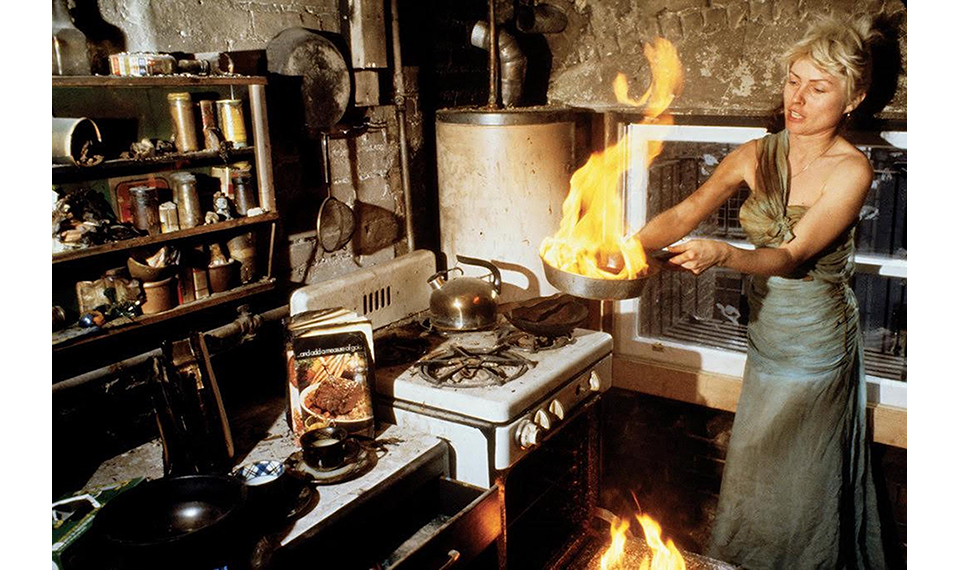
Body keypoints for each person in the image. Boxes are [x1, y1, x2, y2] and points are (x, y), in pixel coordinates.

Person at [634, 16, 891, 570]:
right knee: (756, 459)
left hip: (817, 340)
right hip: (767, 328)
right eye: (792, 81)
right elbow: (683, 214)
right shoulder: (755, 153)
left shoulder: (851, 171)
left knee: (798, 472)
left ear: (855, 98)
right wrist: (622, 252)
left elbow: (790, 256)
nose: (797, 99)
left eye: (818, 88)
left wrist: (724, 255)